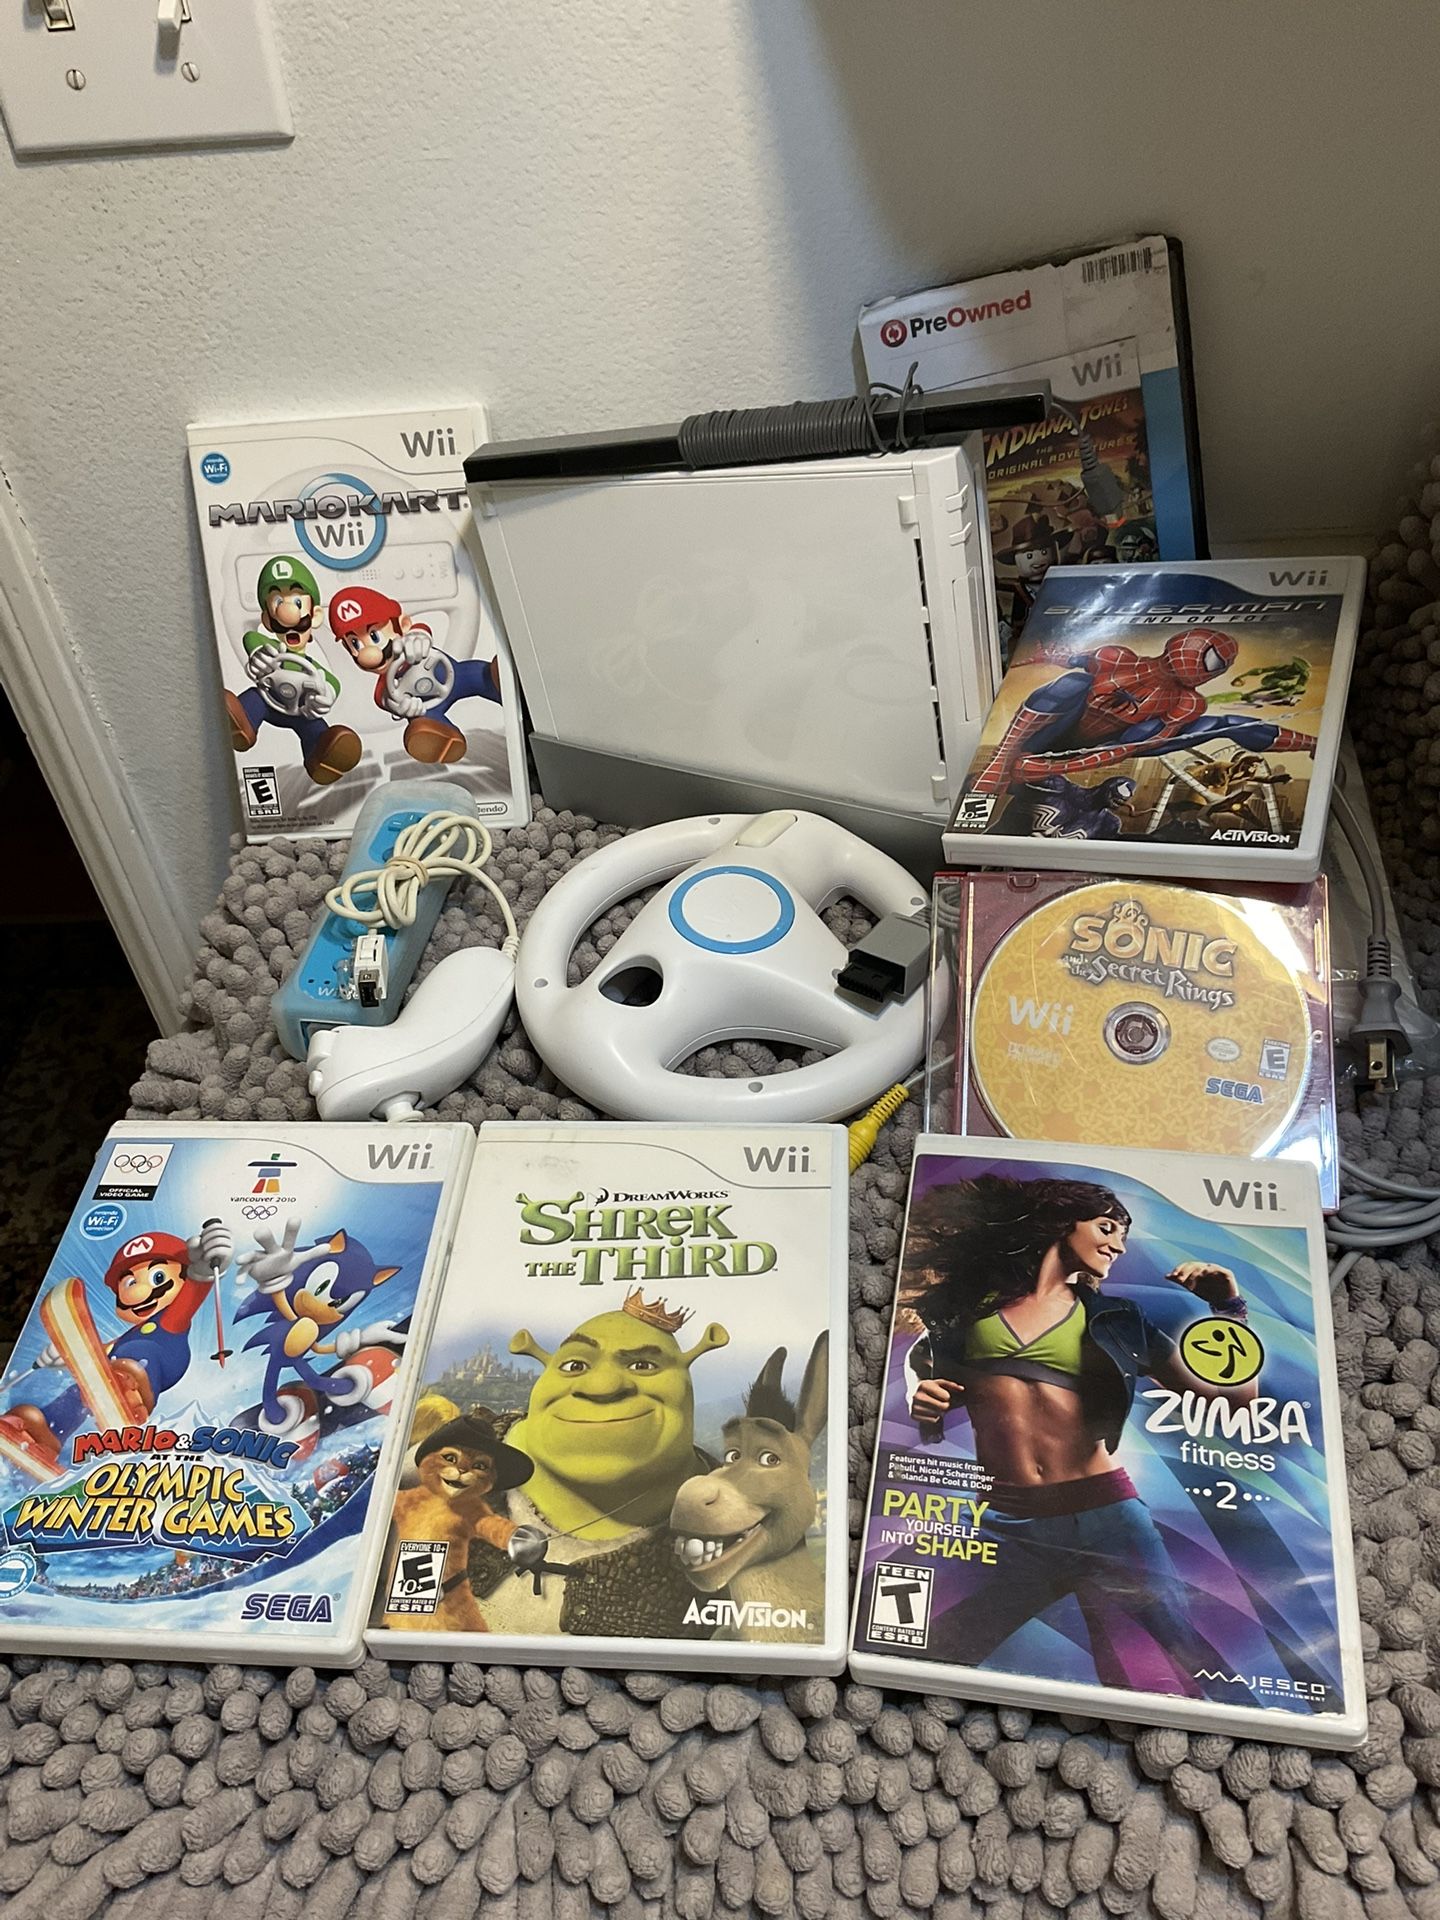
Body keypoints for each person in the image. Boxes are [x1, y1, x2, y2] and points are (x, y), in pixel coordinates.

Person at [902, 1174, 1253, 1693]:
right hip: (1007, 1521)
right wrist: (922, 1396)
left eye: (1124, 1236)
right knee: (930, 1654)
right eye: (1106, 1227)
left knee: (1175, 1667)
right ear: (1061, 1223)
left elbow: (1233, 1398)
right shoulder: (970, 1310)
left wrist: (1228, 1309)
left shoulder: (1118, 1319)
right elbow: (924, 1370)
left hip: (1106, 1519)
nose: (1118, 1245)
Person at [226, 557, 361, 785]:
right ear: (267, 619)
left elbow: (332, 683)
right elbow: (252, 639)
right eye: (278, 601)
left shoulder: (314, 669)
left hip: (301, 714)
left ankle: (322, 757)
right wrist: (259, 656)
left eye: (297, 602)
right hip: (267, 702)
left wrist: (323, 697)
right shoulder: (268, 648)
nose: (287, 613)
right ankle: (242, 726)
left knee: (316, 728)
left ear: (315, 616)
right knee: (252, 698)